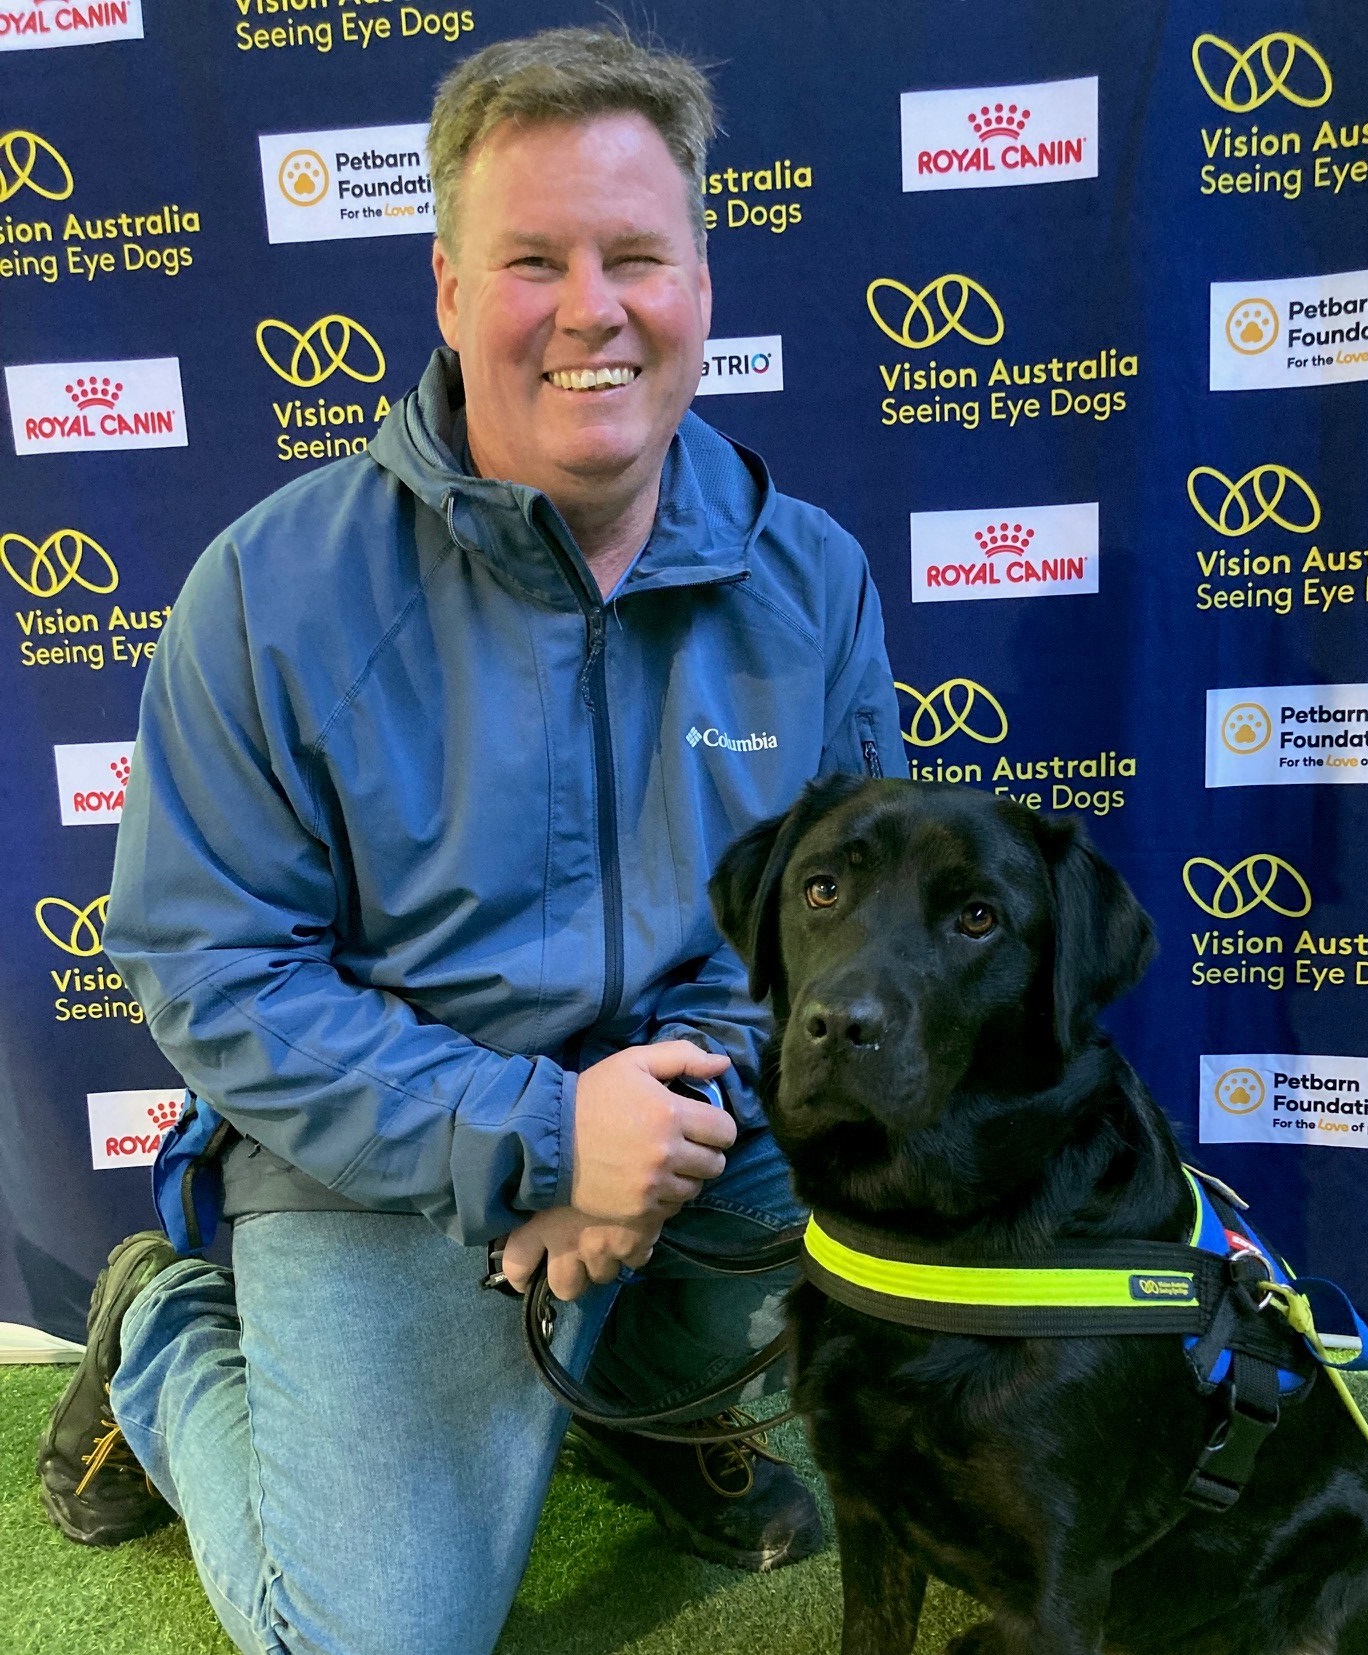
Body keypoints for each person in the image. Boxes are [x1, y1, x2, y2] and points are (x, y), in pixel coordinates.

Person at [34, 25, 906, 1655]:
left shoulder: (815, 581)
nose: (594, 309)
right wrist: (540, 1133)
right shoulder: (270, 591)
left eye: (637, 255)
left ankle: (654, 1406)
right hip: (393, 1163)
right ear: (447, 291)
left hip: (697, 1122)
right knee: (370, 1639)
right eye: (534, 262)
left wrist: (649, 1132)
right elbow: (209, 968)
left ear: (701, 285)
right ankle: (159, 1323)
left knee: (883, 1170)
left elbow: (835, 932)